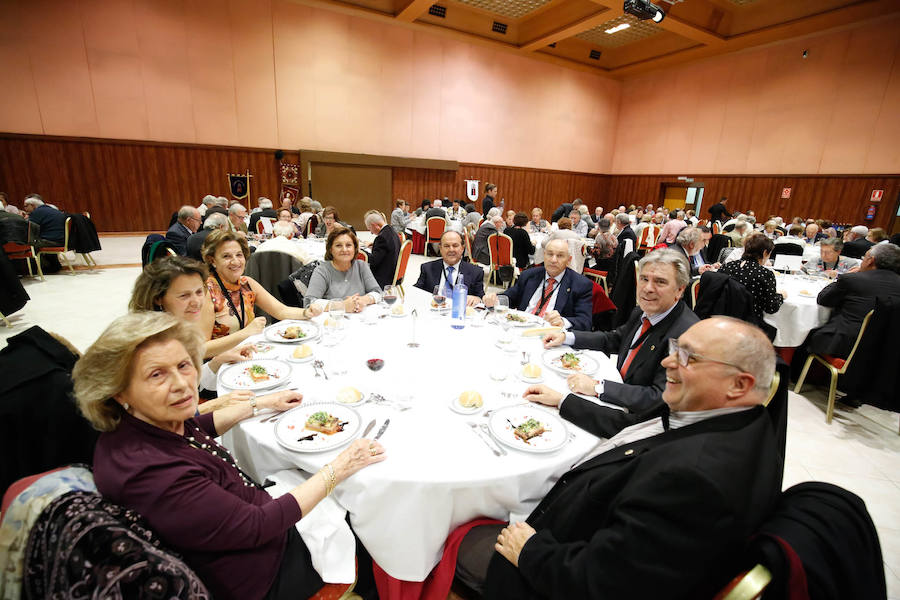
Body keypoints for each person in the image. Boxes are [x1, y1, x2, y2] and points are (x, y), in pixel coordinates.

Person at [455, 317, 782, 599]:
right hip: (586, 527)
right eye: (675, 349)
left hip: (552, 565)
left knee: (454, 531)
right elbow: (634, 428)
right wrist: (564, 401)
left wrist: (530, 552)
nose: (668, 363)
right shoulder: (734, 417)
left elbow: (607, 584)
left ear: (739, 384)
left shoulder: (694, 479)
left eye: (688, 358)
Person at [74, 312, 385, 600]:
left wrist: (262, 403)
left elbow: (196, 426)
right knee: (364, 518)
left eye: (184, 365)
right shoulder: (151, 472)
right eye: (157, 374)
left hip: (241, 522)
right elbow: (258, 526)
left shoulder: (140, 425)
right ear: (118, 391)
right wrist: (340, 467)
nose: (183, 384)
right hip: (260, 574)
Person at [543, 249, 698, 412]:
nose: (647, 288)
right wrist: (566, 336)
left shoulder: (686, 336)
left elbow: (660, 397)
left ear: (680, 290)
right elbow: (614, 339)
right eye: (644, 279)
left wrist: (598, 387)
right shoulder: (641, 312)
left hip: (635, 418)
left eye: (660, 282)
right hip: (619, 395)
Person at [129, 255, 266, 359]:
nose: (196, 302)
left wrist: (216, 363)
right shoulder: (151, 343)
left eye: (199, 292)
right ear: (158, 298)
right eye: (184, 296)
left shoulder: (182, 326)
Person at [202, 230, 318, 339]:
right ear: (212, 260)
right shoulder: (207, 292)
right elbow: (202, 349)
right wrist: (245, 333)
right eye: (226, 256)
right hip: (221, 359)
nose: (236, 261)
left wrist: (306, 312)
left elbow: (281, 311)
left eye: (239, 255)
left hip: (247, 352)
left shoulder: (246, 283)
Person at [803, 243, 900, 358]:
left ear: (870, 261)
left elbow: (823, 299)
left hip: (846, 345)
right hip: (888, 350)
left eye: (864, 258)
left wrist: (842, 277)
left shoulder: (853, 279)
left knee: (807, 334)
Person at [483, 239, 592, 330]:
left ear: (569, 260)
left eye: (560, 256)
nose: (553, 260)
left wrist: (562, 321)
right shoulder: (529, 275)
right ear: (544, 255)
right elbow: (510, 297)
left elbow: (585, 321)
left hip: (549, 335)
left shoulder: (581, 284)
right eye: (550, 254)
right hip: (519, 328)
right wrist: (495, 299)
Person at [306, 227, 381, 313]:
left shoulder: (361, 266)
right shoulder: (322, 270)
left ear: (354, 248)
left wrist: (363, 300)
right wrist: (342, 305)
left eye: (348, 245)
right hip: (333, 322)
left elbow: (377, 292)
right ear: (331, 249)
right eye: (338, 245)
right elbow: (309, 302)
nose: (344, 250)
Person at [719, 234, 785, 323]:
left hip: (721, 317)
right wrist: (781, 296)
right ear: (765, 253)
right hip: (749, 324)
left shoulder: (727, 266)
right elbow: (771, 308)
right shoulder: (765, 274)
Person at [414, 230, 485, 305]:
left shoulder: (476, 272)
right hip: (433, 311)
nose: (451, 250)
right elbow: (416, 291)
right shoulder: (427, 268)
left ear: (462, 248)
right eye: (446, 246)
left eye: (455, 245)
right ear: (440, 248)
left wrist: (478, 299)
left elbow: (480, 297)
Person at [364, 209, 400, 288]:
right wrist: (375, 246)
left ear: (375, 225)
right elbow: (387, 249)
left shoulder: (381, 238)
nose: (371, 232)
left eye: (370, 229)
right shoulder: (392, 231)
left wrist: (360, 251)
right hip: (393, 272)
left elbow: (373, 261)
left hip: (384, 277)